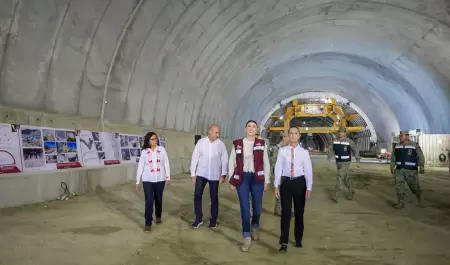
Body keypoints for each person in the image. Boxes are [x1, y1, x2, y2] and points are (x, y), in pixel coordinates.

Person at [228, 120, 270, 252]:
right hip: (242, 178)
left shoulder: (262, 144)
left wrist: (267, 180)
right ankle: (246, 236)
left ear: (257, 130)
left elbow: (266, 163)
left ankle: (255, 226)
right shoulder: (238, 144)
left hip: (257, 178)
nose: (252, 128)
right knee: (245, 208)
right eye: (249, 126)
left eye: (254, 126)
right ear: (245, 129)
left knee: (257, 208)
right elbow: (231, 162)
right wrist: (232, 180)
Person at [274, 126, 313, 252]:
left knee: (299, 213)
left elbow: (308, 170)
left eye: (296, 133)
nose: (293, 135)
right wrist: (276, 185)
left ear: (299, 136)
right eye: (291, 133)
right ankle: (284, 242)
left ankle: (298, 239)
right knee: (285, 213)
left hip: (299, 183)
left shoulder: (304, 153)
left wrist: (309, 187)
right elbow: (278, 168)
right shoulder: (282, 151)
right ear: (288, 136)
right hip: (286, 183)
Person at [190, 124, 228, 228]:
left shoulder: (221, 145)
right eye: (216, 132)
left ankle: (213, 220)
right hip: (201, 173)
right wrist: (193, 174)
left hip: (215, 175)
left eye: (219, 133)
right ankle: (198, 219)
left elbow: (224, 160)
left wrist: (223, 174)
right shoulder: (201, 143)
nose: (218, 135)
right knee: (197, 195)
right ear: (210, 131)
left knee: (214, 197)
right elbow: (195, 157)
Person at [135, 132, 170, 232]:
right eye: (153, 139)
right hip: (148, 180)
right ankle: (148, 223)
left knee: (158, 199)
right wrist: (137, 181)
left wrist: (168, 177)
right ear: (148, 141)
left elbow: (166, 164)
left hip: (160, 179)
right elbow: (140, 167)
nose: (155, 141)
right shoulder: (144, 152)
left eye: (156, 139)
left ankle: (158, 216)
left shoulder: (162, 150)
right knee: (149, 201)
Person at [390, 130, 425, 209]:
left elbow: (420, 156)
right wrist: (392, 166)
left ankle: (420, 200)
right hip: (399, 170)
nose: (400, 137)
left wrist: (422, 167)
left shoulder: (414, 145)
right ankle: (400, 202)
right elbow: (393, 157)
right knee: (399, 187)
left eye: (402, 136)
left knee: (414, 187)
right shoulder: (397, 146)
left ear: (407, 136)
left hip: (411, 171)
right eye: (400, 136)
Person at [327, 127, 360, 202]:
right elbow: (331, 149)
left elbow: (356, 149)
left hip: (346, 162)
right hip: (338, 161)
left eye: (341, 132)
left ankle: (336, 195)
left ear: (345, 133)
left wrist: (357, 160)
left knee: (339, 176)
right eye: (339, 132)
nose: (340, 133)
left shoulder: (349, 141)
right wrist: (329, 156)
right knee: (344, 177)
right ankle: (351, 190)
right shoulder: (335, 141)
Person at [270, 131, 289, 216]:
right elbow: (273, 162)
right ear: (284, 138)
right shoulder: (277, 148)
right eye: (288, 136)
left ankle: (282, 209)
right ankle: (278, 210)